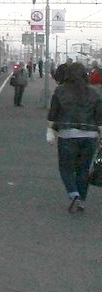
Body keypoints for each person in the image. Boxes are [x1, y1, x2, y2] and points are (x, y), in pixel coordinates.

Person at [46, 62, 102, 212]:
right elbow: (99, 117)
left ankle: (73, 193)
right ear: (85, 75)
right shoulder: (94, 93)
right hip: (90, 136)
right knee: (83, 169)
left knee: (66, 168)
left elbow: (53, 113)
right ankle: (82, 201)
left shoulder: (60, 91)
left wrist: (49, 131)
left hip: (67, 135)